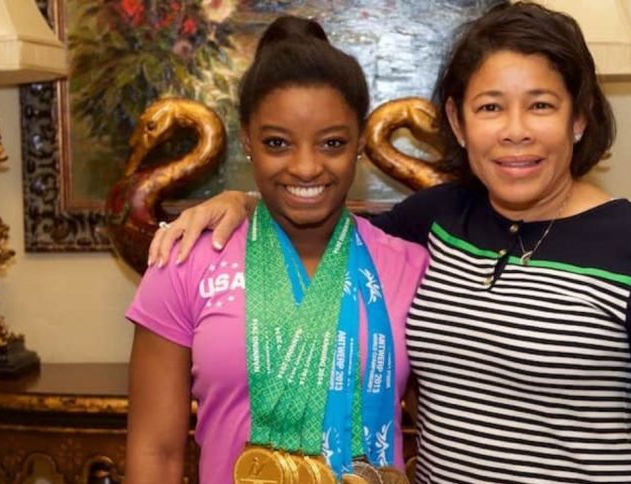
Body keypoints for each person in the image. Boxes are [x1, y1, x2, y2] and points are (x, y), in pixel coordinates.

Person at [151, 3, 631, 483]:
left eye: (541, 104)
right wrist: (240, 201)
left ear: (579, 118)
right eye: (490, 106)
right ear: (459, 118)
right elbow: (320, 214)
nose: (515, 129)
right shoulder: (438, 222)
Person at [125, 15, 427, 484]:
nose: (306, 167)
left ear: (359, 144)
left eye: (331, 142)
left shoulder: (412, 267)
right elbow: (155, 454)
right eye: (277, 143)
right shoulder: (185, 261)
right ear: (247, 140)